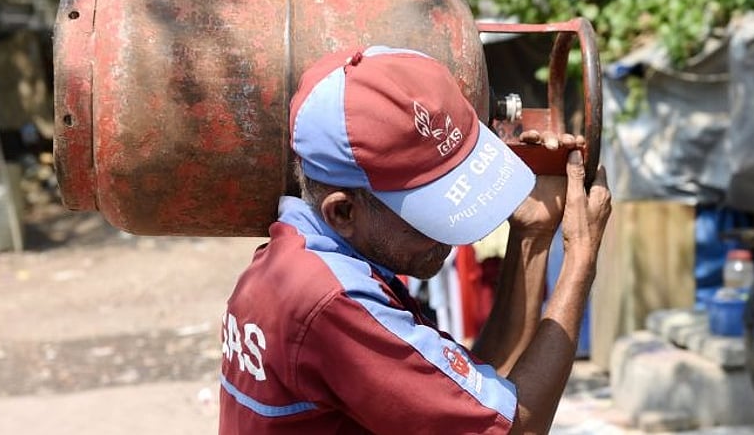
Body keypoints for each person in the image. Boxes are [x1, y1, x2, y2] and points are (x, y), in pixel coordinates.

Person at [219, 45, 611, 434]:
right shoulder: (333, 303)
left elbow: (470, 410)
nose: (450, 237)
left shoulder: (298, 264)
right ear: (343, 212)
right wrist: (579, 261)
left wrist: (532, 234)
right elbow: (516, 431)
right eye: (428, 212)